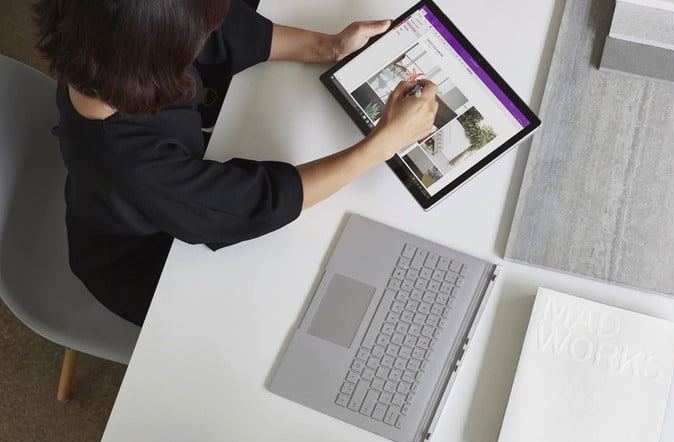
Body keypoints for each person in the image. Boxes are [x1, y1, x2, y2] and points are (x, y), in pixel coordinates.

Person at [33, 0, 438, 326]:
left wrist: (328, 47)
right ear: (158, 55)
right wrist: (382, 144)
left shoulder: (104, 42)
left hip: (166, 198)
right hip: (147, 265)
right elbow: (250, 203)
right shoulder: (128, 161)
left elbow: (219, 33)